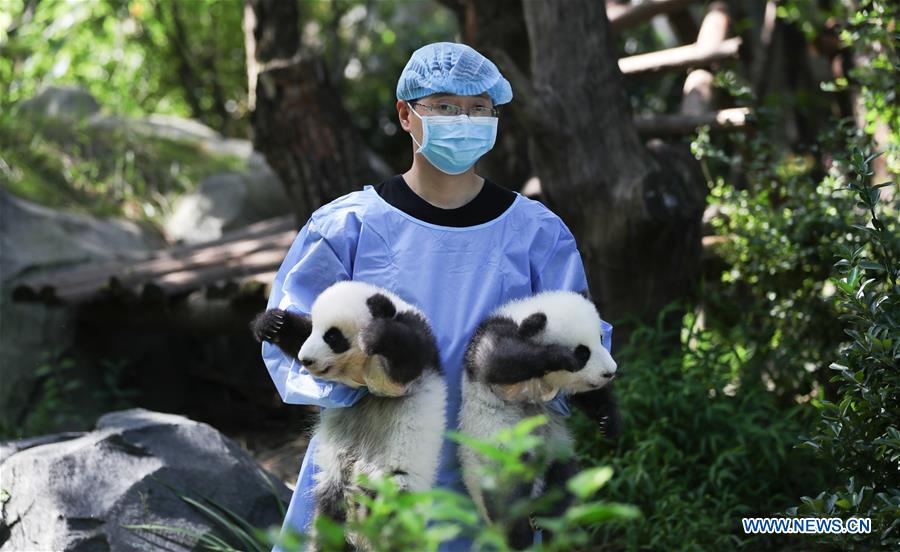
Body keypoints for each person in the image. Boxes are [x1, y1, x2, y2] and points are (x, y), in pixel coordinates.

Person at [262, 41, 609, 551]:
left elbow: (582, 339)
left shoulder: (537, 233)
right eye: (445, 107)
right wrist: (362, 379)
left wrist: (549, 386)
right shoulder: (347, 226)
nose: (463, 119)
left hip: (494, 473)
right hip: (373, 467)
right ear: (406, 115)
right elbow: (292, 335)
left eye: (478, 108)